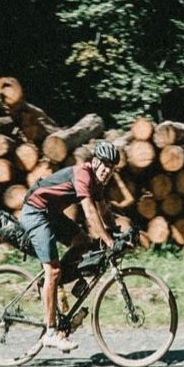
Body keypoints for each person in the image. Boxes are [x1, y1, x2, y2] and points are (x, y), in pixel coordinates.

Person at [19, 140, 119, 351]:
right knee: (53, 270)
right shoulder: (83, 174)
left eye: (112, 168)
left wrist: (117, 232)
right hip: (35, 213)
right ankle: (51, 332)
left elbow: (103, 211)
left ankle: (55, 283)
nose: (108, 171)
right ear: (95, 162)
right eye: (105, 165)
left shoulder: (97, 184)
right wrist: (108, 241)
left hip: (51, 214)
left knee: (82, 242)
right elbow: (90, 213)